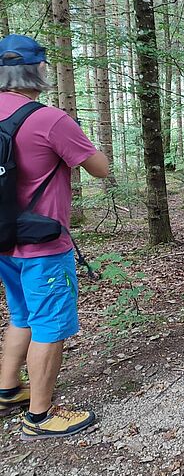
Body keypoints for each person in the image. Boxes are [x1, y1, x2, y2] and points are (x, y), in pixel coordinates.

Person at [0, 34, 109, 439]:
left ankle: (8, 390)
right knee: (48, 325)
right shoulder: (49, 120)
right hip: (42, 245)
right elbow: (100, 168)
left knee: (21, 316)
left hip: (3, 240)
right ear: (39, 70)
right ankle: (40, 416)